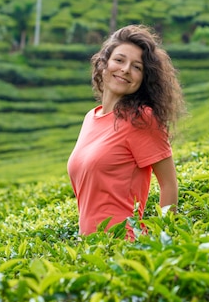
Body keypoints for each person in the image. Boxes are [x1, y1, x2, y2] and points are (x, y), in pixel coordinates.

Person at [67, 24, 186, 238]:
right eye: (119, 60)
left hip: (124, 247)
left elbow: (168, 184)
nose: (125, 69)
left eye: (137, 67)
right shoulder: (90, 119)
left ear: (143, 79)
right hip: (92, 248)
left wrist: (164, 239)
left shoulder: (141, 118)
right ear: (104, 64)